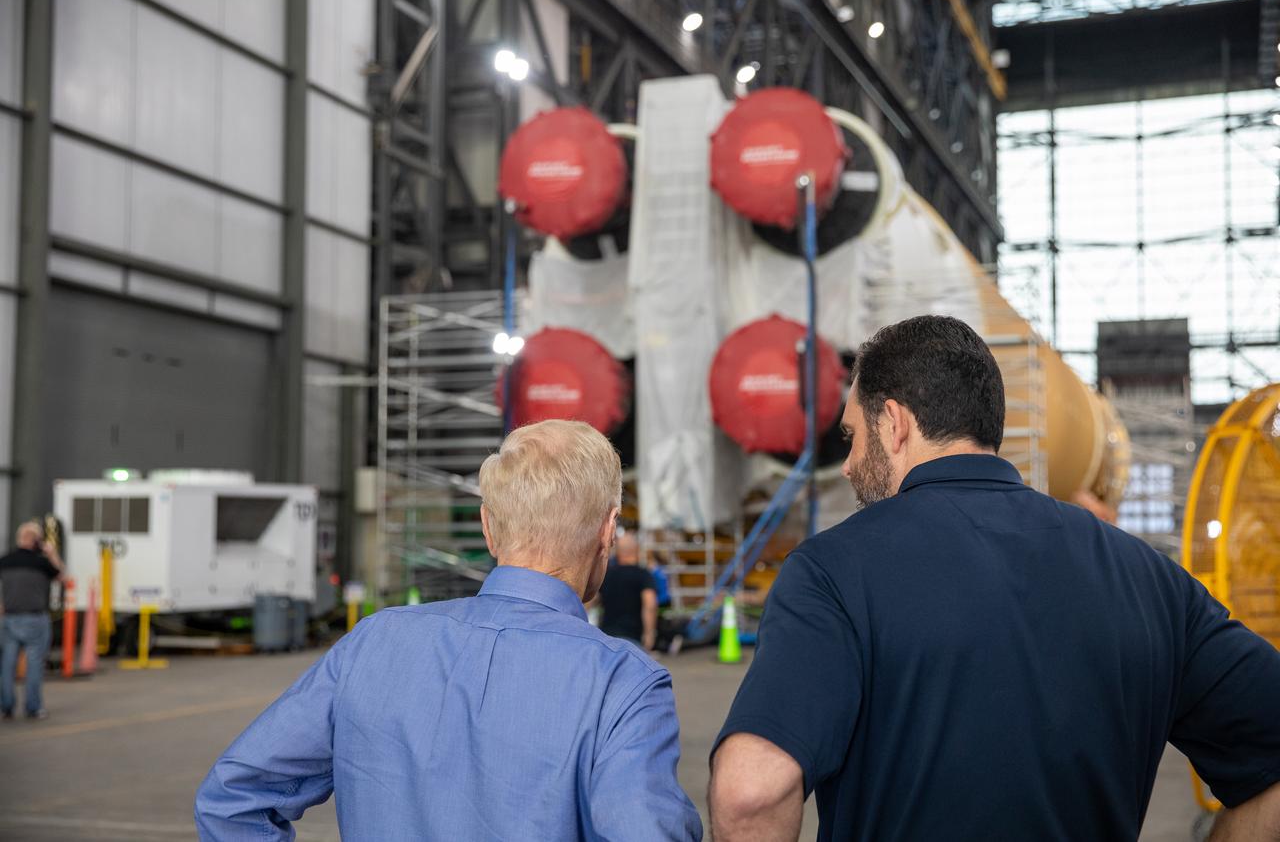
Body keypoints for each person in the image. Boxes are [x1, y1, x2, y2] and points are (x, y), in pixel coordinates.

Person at [709, 315, 1280, 841]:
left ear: (894, 423)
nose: (851, 464)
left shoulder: (831, 571)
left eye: (852, 436)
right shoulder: (1150, 579)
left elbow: (750, 796)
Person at [196, 419, 702, 841]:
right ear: (608, 530)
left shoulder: (372, 644)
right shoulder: (624, 683)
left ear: (487, 525)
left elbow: (232, 800)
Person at [0, 521, 63, 720]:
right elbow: (62, 575)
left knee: (7, 664)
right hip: (35, 618)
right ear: (36, 541)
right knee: (34, 665)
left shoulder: (5, 560)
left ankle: (6, 706)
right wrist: (51, 552)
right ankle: (33, 707)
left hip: (9, 618)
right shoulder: (41, 563)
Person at [597, 532, 658, 650]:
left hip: (606, 637)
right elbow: (650, 604)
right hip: (632, 637)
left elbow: (591, 600)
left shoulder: (606, 574)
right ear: (637, 549)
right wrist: (649, 634)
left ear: (618, 551)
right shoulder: (643, 575)